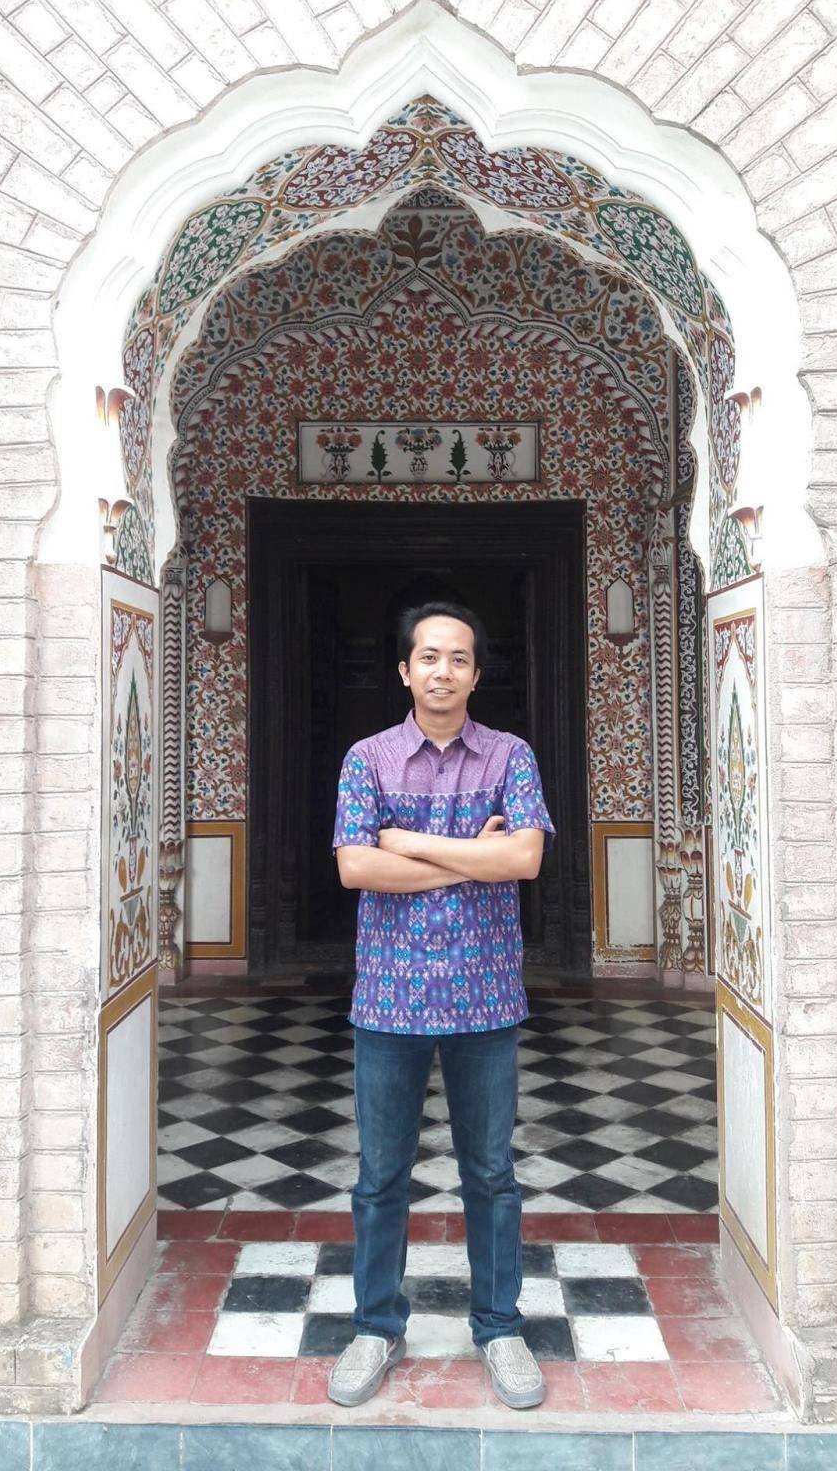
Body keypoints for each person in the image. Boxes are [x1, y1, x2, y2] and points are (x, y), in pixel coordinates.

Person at [327, 601, 555, 1409]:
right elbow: (356, 870)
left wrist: (411, 843)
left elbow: (524, 857)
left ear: (475, 674)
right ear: (404, 669)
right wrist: (474, 859)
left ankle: (498, 1329)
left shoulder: (510, 756)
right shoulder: (368, 759)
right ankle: (374, 1326)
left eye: (458, 658)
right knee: (381, 1177)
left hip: (485, 995)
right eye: (429, 657)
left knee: (490, 1176)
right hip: (389, 997)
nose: (443, 671)